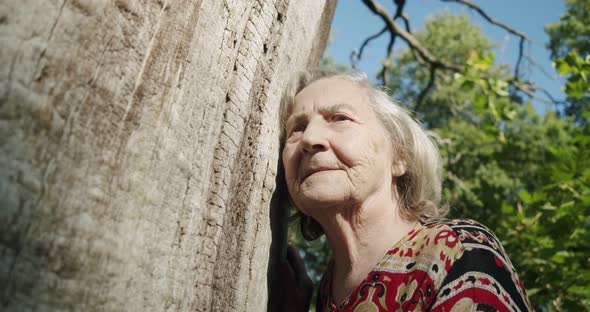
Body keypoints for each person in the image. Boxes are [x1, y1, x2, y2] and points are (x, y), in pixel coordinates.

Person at [278, 67, 532, 311]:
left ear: (400, 156)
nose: (310, 139)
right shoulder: (326, 290)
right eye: (296, 129)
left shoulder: (458, 251)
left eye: (340, 118)